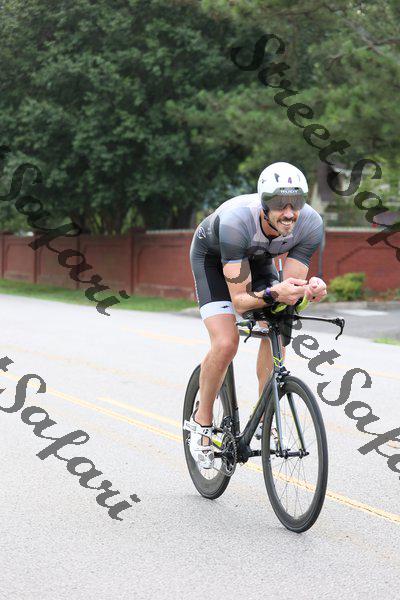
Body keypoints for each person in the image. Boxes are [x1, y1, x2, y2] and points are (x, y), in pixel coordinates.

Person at [189, 162, 327, 469]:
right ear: (264, 204)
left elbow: (290, 291)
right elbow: (240, 302)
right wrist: (276, 293)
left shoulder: (311, 224)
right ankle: (202, 421)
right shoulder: (237, 221)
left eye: (296, 202)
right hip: (213, 260)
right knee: (226, 343)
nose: (289, 213)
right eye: (279, 204)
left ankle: (266, 417)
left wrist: (308, 291)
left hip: (259, 259)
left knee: (279, 323)